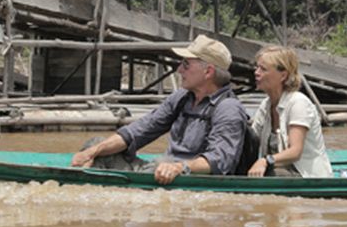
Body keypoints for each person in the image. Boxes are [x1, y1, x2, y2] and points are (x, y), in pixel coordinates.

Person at [70, 34, 248, 184]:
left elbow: (219, 160)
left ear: (208, 72)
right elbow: (139, 130)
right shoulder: (181, 98)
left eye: (186, 64)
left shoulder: (228, 109)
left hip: (185, 177)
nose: (179, 70)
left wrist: (180, 167)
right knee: (96, 145)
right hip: (162, 169)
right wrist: (91, 152)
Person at [247, 46, 333, 178]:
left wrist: (265, 161)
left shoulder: (298, 103)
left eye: (263, 69)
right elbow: (251, 139)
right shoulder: (266, 105)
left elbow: (295, 151)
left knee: (269, 175)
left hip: (305, 175)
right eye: (257, 67)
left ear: (283, 75)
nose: (256, 73)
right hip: (279, 171)